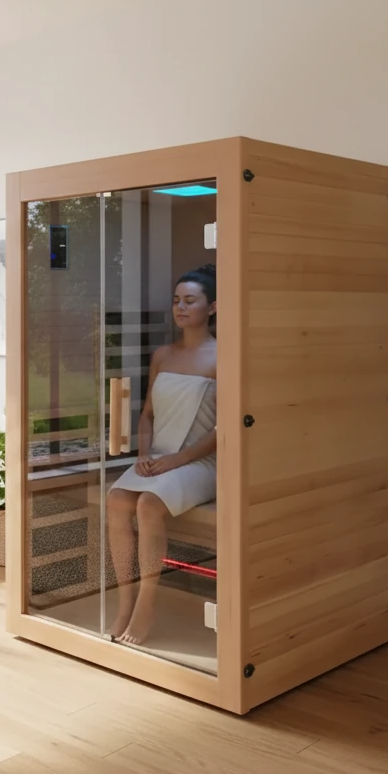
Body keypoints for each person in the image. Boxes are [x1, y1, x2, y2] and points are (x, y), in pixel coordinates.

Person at [107, 266, 217, 645]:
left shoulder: (225, 356)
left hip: (201, 461)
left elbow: (225, 430)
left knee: (149, 505)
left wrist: (177, 460)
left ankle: (147, 604)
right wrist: (142, 454)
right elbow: (148, 414)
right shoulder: (163, 355)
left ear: (213, 306)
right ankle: (125, 602)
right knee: (118, 499)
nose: (180, 308)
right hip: (159, 456)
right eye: (176, 301)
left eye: (190, 300)